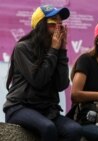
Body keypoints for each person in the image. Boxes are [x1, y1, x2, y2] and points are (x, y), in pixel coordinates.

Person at [3, 5, 82, 141]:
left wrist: (62, 51)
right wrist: (54, 50)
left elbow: (61, 85)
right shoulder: (23, 48)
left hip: (47, 111)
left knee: (74, 130)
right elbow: (38, 80)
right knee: (48, 127)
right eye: (53, 22)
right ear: (40, 25)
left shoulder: (55, 50)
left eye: (60, 22)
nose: (59, 26)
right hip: (19, 108)